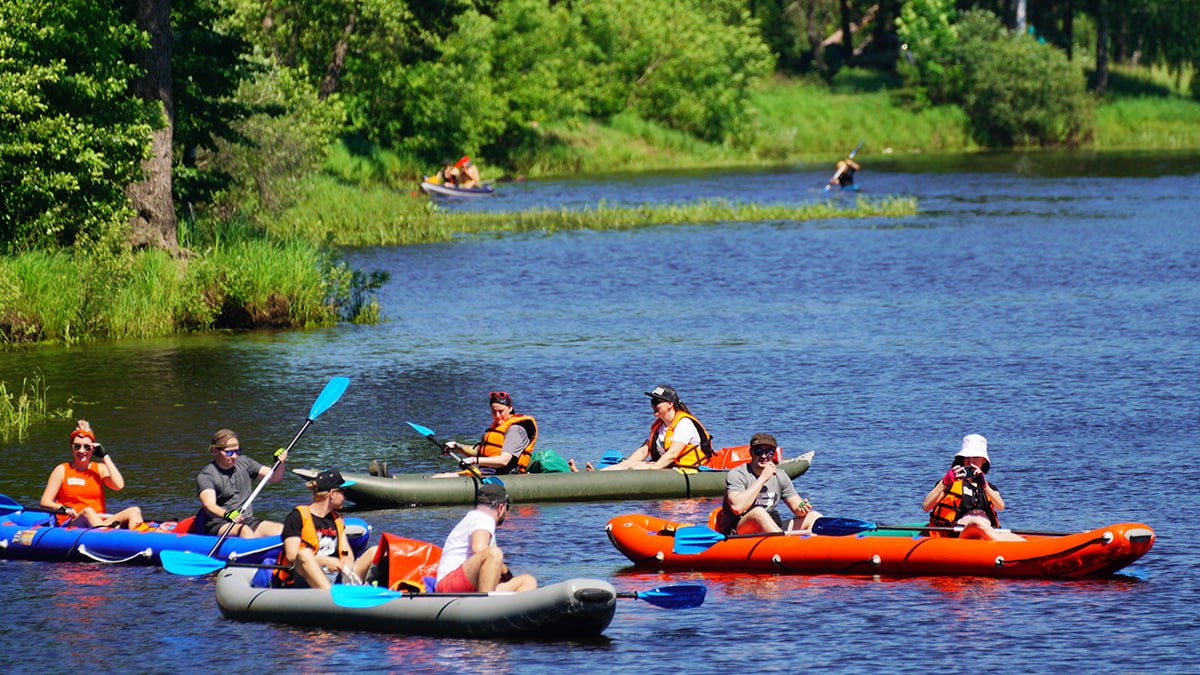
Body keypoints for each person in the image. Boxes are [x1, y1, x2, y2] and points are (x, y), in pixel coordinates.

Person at [271, 469, 378, 589]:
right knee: (304, 554)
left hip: (335, 576)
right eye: (343, 492)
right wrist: (326, 561)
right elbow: (292, 557)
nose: (345, 497)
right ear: (332, 494)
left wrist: (346, 563)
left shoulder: (337, 519)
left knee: (375, 551)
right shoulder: (297, 517)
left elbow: (346, 552)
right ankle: (330, 599)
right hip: (305, 577)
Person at [434, 482, 537, 593]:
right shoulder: (483, 518)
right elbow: (479, 548)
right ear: (501, 507)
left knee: (528, 581)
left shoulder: (477, 518)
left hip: (469, 582)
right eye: (507, 508)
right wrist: (505, 570)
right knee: (494, 553)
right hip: (449, 584)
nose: (507, 514)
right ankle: (486, 602)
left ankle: (503, 606)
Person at [39, 420, 144, 528]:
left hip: (99, 521)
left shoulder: (99, 469)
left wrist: (105, 456)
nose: (82, 451)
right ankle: (106, 538)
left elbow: (118, 485)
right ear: (72, 447)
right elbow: (45, 502)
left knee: (134, 511)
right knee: (87, 512)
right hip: (72, 523)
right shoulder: (61, 470)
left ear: (93, 448)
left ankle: (142, 541)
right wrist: (63, 508)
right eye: (77, 446)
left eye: (87, 447)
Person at [922, 434, 1024, 542]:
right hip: (960, 534)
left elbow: (1000, 506)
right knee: (976, 523)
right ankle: (1002, 548)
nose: (970, 462)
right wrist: (944, 483)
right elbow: (926, 506)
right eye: (967, 458)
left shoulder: (988, 487)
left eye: (975, 457)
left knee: (1012, 537)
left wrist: (984, 485)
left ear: (983, 460)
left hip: (987, 533)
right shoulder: (950, 483)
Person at [714, 433, 821, 535]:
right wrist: (762, 478)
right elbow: (737, 507)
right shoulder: (737, 474)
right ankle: (783, 546)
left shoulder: (780, 476)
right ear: (751, 452)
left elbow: (797, 508)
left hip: (770, 527)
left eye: (769, 452)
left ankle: (813, 550)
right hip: (739, 529)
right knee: (758, 513)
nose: (764, 456)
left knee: (814, 517)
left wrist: (803, 507)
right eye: (759, 451)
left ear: (773, 454)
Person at [193, 428, 287, 538]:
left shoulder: (245, 463)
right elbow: (209, 505)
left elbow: (274, 477)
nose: (234, 456)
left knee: (280, 530)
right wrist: (226, 514)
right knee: (245, 531)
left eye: (237, 451)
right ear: (215, 451)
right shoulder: (207, 475)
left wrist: (279, 462)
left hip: (247, 520)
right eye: (228, 452)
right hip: (220, 524)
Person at [603, 384, 712, 470]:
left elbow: (672, 454)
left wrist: (652, 469)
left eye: (657, 402)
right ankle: (597, 474)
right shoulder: (659, 426)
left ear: (670, 404)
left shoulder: (684, 424)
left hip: (688, 468)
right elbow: (643, 451)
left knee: (634, 466)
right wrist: (627, 464)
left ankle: (601, 476)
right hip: (667, 467)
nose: (653, 406)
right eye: (652, 402)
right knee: (630, 465)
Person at [434, 391, 538, 477]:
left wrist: (474, 460)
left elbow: (504, 461)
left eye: (501, 411)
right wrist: (456, 447)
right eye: (493, 412)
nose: (497, 416)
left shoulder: (515, 430)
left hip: (506, 475)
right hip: (488, 473)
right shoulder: (496, 427)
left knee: (444, 477)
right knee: (439, 476)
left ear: (510, 408)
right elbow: (479, 451)